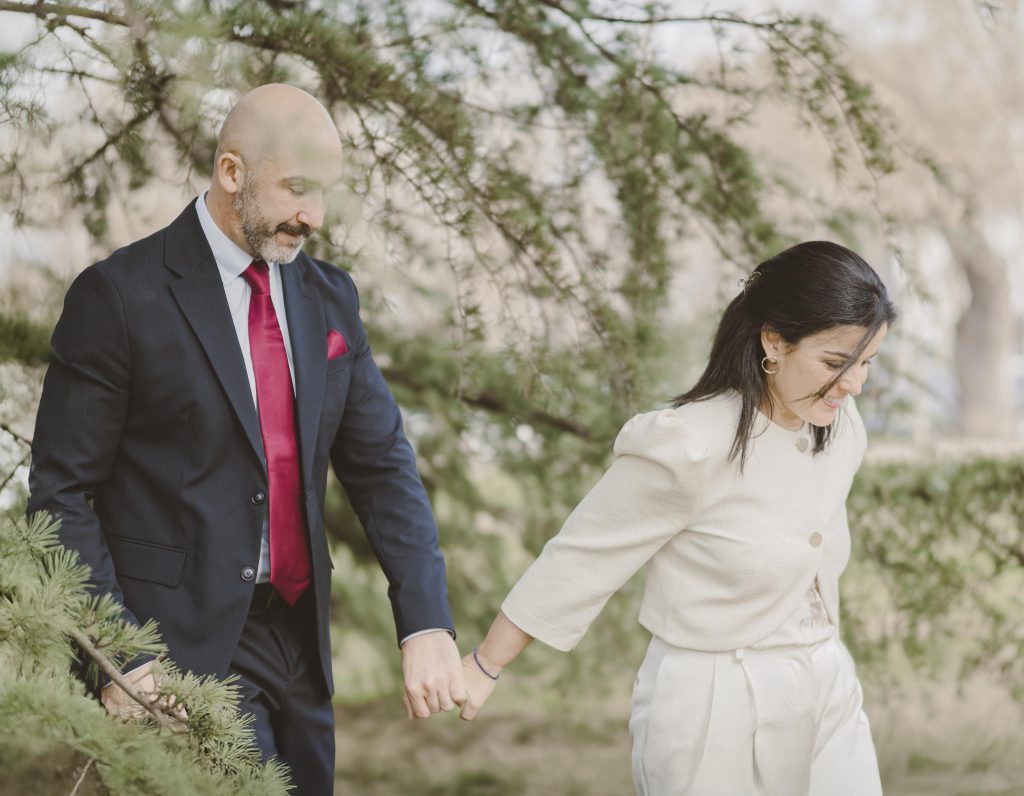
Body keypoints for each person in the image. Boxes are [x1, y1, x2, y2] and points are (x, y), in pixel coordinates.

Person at [27, 84, 466, 794]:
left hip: (299, 646)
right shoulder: (118, 297)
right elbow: (60, 497)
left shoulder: (330, 298)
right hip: (173, 658)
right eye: (297, 188)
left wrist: (425, 623)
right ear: (231, 172)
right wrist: (120, 656)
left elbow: (383, 467)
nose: (313, 216)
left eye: (324, 193)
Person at [458, 241, 896, 795]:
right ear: (774, 341)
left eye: (866, 363)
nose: (854, 384)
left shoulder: (841, 427)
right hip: (713, 698)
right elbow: (581, 559)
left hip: (826, 681)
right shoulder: (689, 444)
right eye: (836, 363)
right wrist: (485, 664)